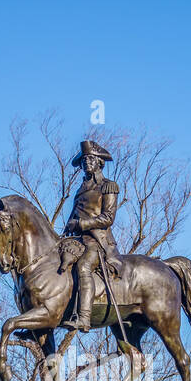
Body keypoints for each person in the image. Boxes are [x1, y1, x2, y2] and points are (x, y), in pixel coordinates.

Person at [61, 140, 120, 331]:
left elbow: (108, 218)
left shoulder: (108, 186)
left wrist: (81, 224)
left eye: (90, 159)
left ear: (99, 162)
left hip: (98, 241)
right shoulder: (80, 189)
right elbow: (74, 215)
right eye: (84, 160)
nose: (86, 162)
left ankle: (84, 318)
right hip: (78, 240)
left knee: (84, 266)